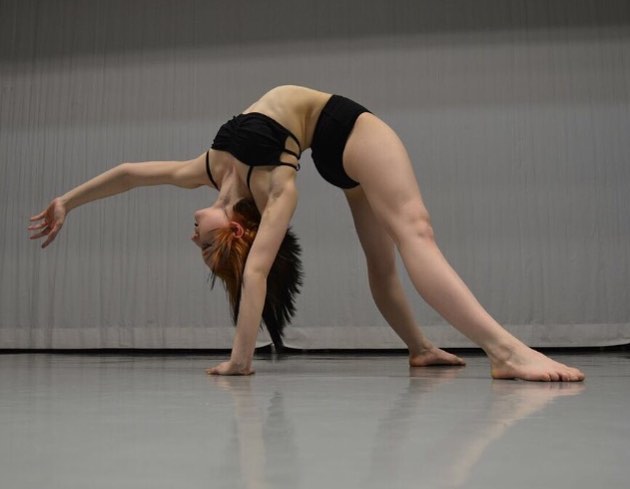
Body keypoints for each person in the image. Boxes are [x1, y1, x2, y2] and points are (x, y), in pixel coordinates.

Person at [29, 85, 585, 381]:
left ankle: (421, 349)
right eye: (206, 246)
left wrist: (67, 201)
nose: (192, 237)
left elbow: (130, 174)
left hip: (332, 142)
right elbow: (255, 274)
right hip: (347, 129)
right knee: (415, 231)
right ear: (235, 229)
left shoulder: (207, 170)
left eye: (201, 246)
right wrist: (241, 359)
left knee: (383, 261)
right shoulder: (277, 191)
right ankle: (505, 351)